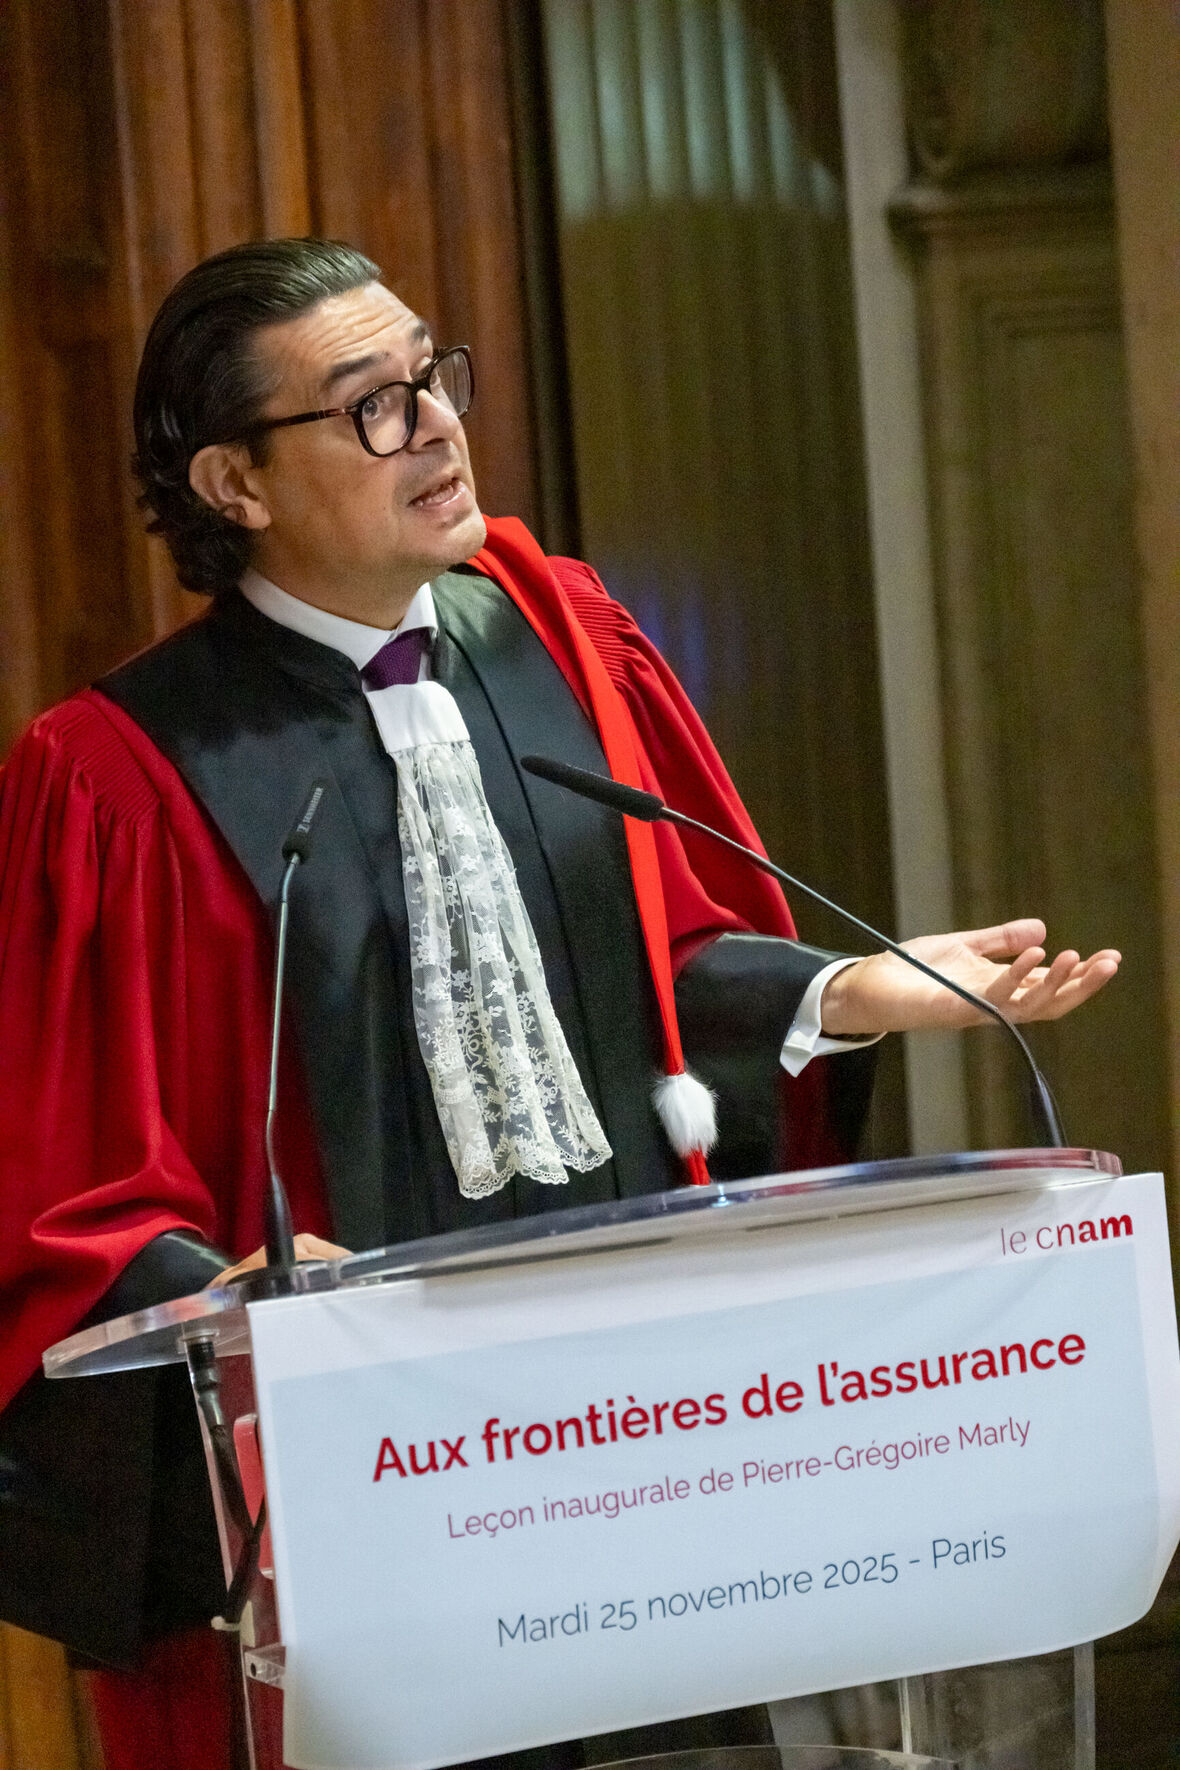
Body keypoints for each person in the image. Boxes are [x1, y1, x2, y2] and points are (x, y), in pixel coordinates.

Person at [0, 238, 1118, 1768]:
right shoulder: (117, 774)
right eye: (370, 405)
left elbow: (650, 980)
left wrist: (855, 988)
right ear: (235, 482)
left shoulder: (567, 642)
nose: (436, 425)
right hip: (361, 1487)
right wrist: (239, 1290)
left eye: (432, 377)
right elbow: (66, 1198)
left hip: (626, 1451)